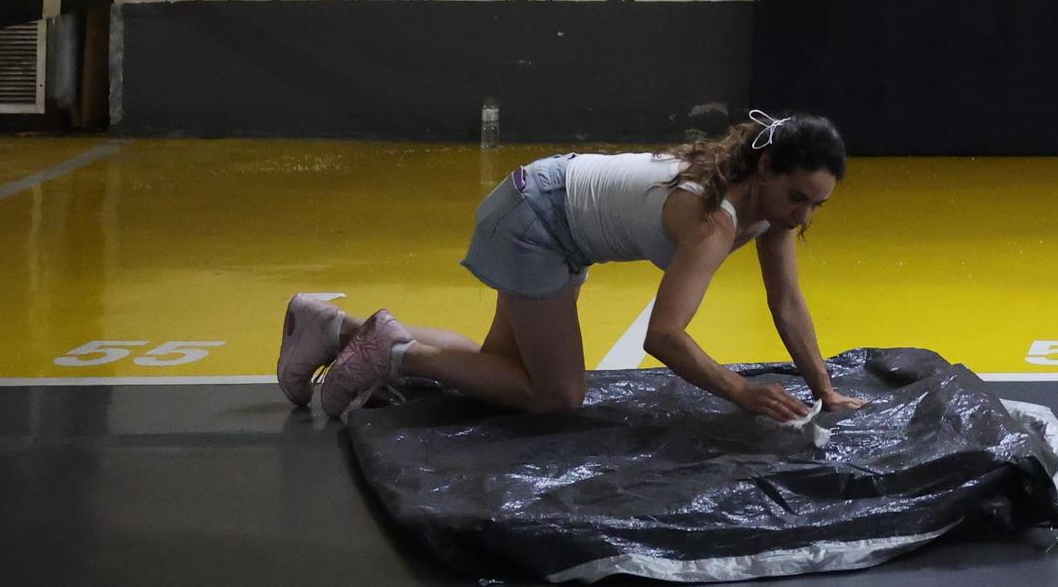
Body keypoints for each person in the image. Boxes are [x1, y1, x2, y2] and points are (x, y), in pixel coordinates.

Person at [281, 111, 862, 424]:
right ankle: (392, 353)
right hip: (535, 220)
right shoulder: (715, 219)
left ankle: (331, 327)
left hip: (546, 202)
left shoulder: (773, 210)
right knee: (556, 395)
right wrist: (741, 392)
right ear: (765, 167)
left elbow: (786, 300)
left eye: (817, 205)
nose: (803, 215)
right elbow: (664, 335)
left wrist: (825, 389)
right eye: (798, 198)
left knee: (499, 371)